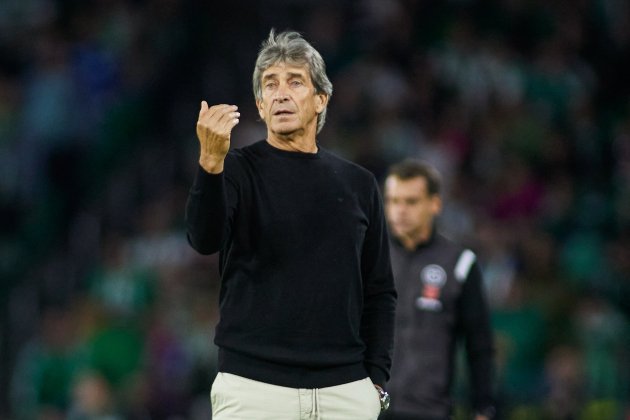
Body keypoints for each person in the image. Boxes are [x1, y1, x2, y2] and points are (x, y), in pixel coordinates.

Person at [185, 29, 397, 419]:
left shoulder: (359, 184)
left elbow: (380, 290)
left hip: (345, 394)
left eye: (295, 81)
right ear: (261, 106)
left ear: (321, 99)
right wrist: (210, 164)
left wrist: (376, 381)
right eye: (270, 84)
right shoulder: (233, 171)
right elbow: (203, 239)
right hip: (253, 390)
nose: (280, 92)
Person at [381, 159, 496, 420]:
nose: (400, 210)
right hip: (368, 409)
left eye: (411, 202)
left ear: (434, 204)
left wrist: (484, 406)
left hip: (429, 410)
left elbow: (479, 344)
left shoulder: (459, 264)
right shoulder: (369, 258)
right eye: (393, 201)